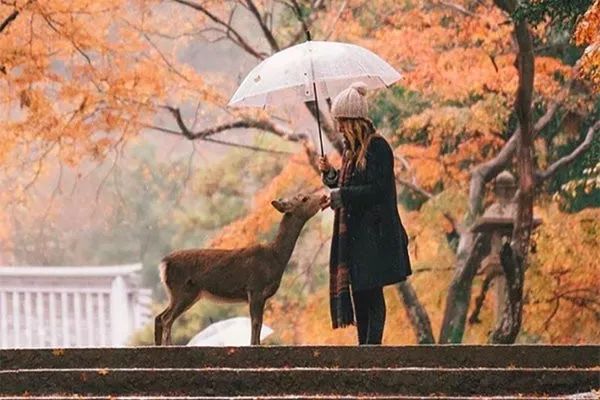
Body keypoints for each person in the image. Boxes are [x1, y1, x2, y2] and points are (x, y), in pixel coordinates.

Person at [319, 82, 412, 345]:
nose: (338, 128)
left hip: (377, 236)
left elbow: (377, 190)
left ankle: (373, 351)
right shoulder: (351, 152)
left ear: (352, 120)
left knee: (372, 293)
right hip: (358, 237)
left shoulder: (378, 148)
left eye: (341, 121)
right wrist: (331, 176)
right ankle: (364, 351)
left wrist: (342, 196)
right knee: (359, 293)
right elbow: (348, 186)